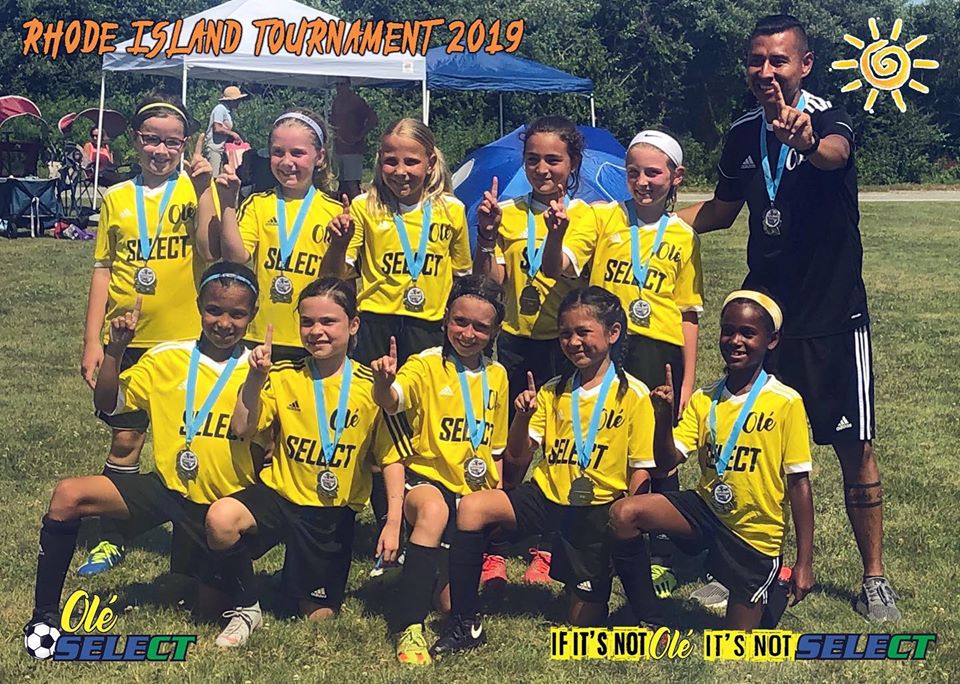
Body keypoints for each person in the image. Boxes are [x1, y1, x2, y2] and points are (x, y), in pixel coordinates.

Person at [676, 14, 899, 621]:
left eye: (779, 60)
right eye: (757, 60)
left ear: (805, 64)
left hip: (832, 314)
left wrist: (803, 141)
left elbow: (833, 154)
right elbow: (721, 211)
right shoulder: (742, 133)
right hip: (766, 321)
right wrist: (644, 225)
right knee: (746, 443)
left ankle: (874, 578)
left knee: (853, 445)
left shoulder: (828, 118)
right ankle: (738, 567)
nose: (766, 71)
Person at [25, 262, 261, 640]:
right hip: (168, 490)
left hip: (220, 506)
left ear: (253, 314)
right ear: (198, 306)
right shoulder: (166, 358)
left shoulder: (261, 369)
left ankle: (228, 577)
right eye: (214, 310)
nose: (224, 322)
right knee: (68, 495)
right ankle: (45, 615)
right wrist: (115, 351)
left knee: (207, 608)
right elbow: (107, 402)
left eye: (237, 314)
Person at [431, 286, 656, 658]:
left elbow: (640, 470)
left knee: (582, 625)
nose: (573, 342)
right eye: (565, 333)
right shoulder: (553, 391)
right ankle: (466, 625)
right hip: (547, 496)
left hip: (595, 509)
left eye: (583, 332)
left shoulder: (633, 395)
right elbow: (518, 456)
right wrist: (522, 417)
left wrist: (624, 529)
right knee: (472, 507)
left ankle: (632, 609)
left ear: (613, 333)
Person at [542, 129, 704, 598]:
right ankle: (599, 538)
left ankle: (662, 551)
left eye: (653, 172)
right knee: (604, 435)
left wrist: (688, 381)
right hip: (610, 343)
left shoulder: (683, 235)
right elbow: (558, 267)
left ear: (676, 176)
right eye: (634, 172)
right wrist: (556, 235)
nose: (642, 181)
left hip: (658, 349)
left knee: (659, 448)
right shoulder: (601, 216)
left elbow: (688, 313)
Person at [205, 278, 404, 647]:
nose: (316, 331)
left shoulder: (370, 385)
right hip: (281, 496)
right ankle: (247, 608)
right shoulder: (283, 375)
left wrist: (392, 523)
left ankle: (292, 578)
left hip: (329, 513)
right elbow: (242, 428)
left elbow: (391, 459)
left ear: (353, 325)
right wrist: (255, 378)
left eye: (328, 321)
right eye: (307, 322)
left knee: (317, 618)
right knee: (221, 519)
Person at [608, 291, 815, 630]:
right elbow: (665, 463)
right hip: (706, 513)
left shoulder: (785, 402)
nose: (735, 341)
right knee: (624, 514)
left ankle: (771, 590)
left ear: (772, 340)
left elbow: (799, 483)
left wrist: (805, 562)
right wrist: (662, 418)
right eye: (727, 331)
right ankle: (649, 616)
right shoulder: (705, 398)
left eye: (748, 333)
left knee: (735, 647)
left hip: (753, 533)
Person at [78, 93, 215, 577]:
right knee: (126, 439)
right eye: (151, 140)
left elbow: (211, 250)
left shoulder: (196, 189)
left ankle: (195, 535)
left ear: (185, 143)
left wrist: (205, 190)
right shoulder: (116, 196)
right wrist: (93, 340)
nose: (161, 150)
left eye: (172, 142)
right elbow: (102, 268)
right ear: (135, 141)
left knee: (192, 443)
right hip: (128, 339)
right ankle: (111, 535)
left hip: (185, 341)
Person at [322, 118, 472, 546]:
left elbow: (463, 276)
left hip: (428, 329)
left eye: (411, 162)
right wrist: (338, 242)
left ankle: (423, 519)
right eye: (391, 161)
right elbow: (336, 277)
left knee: (421, 424)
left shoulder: (451, 210)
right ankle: (385, 523)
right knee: (376, 424)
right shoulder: (365, 207)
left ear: (430, 163)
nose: (401, 171)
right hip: (376, 324)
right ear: (379, 161)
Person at [473, 115, 592, 586]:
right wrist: (487, 237)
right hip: (515, 343)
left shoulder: (587, 216)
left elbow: (556, 267)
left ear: (573, 163)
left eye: (553, 160)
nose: (542, 169)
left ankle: (548, 546)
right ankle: (498, 545)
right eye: (533, 159)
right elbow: (491, 282)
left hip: (565, 348)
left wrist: (556, 232)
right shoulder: (507, 211)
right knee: (510, 446)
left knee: (562, 447)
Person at [371, 275, 509, 665]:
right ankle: (409, 625)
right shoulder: (425, 363)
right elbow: (392, 400)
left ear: (495, 331)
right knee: (434, 511)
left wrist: (495, 496)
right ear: (446, 318)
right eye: (460, 321)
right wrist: (383, 384)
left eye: (480, 327)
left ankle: (426, 573)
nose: (468, 333)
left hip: (469, 492)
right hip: (424, 481)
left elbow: (495, 449)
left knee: (449, 605)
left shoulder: (497, 375)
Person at [215, 107, 342, 362]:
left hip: (313, 337)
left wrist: (341, 242)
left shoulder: (335, 212)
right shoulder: (258, 204)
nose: (287, 162)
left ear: (319, 157)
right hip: (260, 336)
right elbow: (235, 257)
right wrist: (228, 202)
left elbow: (336, 278)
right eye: (278, 152)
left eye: (298, 153)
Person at [330, 80, 379, 200]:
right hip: (338, 148)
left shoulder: (356, 101)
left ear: (348, 85)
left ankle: (359, 208)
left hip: (353, 149)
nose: (339, 87)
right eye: (337, 84)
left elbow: (373, 119)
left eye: (342, 84)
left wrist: (360, 135)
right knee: (341, 183)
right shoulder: (336, 102)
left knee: (353, 184)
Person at [205, 86, 248, 176]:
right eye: (237, 100)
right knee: (214, 175)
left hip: (222, 148)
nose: (239, 102)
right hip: (215, 148)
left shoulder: (227, 111)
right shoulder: (220, 109)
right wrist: (233, 134)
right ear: (231, 101)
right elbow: (217, 128)